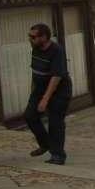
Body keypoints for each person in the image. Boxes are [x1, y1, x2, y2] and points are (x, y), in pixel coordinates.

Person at [25, 23, 72, 165]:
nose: (30, 39)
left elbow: (56, 76)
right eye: (29, 36)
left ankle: (58, 155)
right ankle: (45, 144)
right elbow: (35, 72)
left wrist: (45, 99)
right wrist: (34, 93)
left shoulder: (57, 51)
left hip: (59, 90)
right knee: (30, 116)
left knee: (55, 121)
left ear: (44, 37)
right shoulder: (36, 49)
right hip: (40, 88)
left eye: (33, 37)